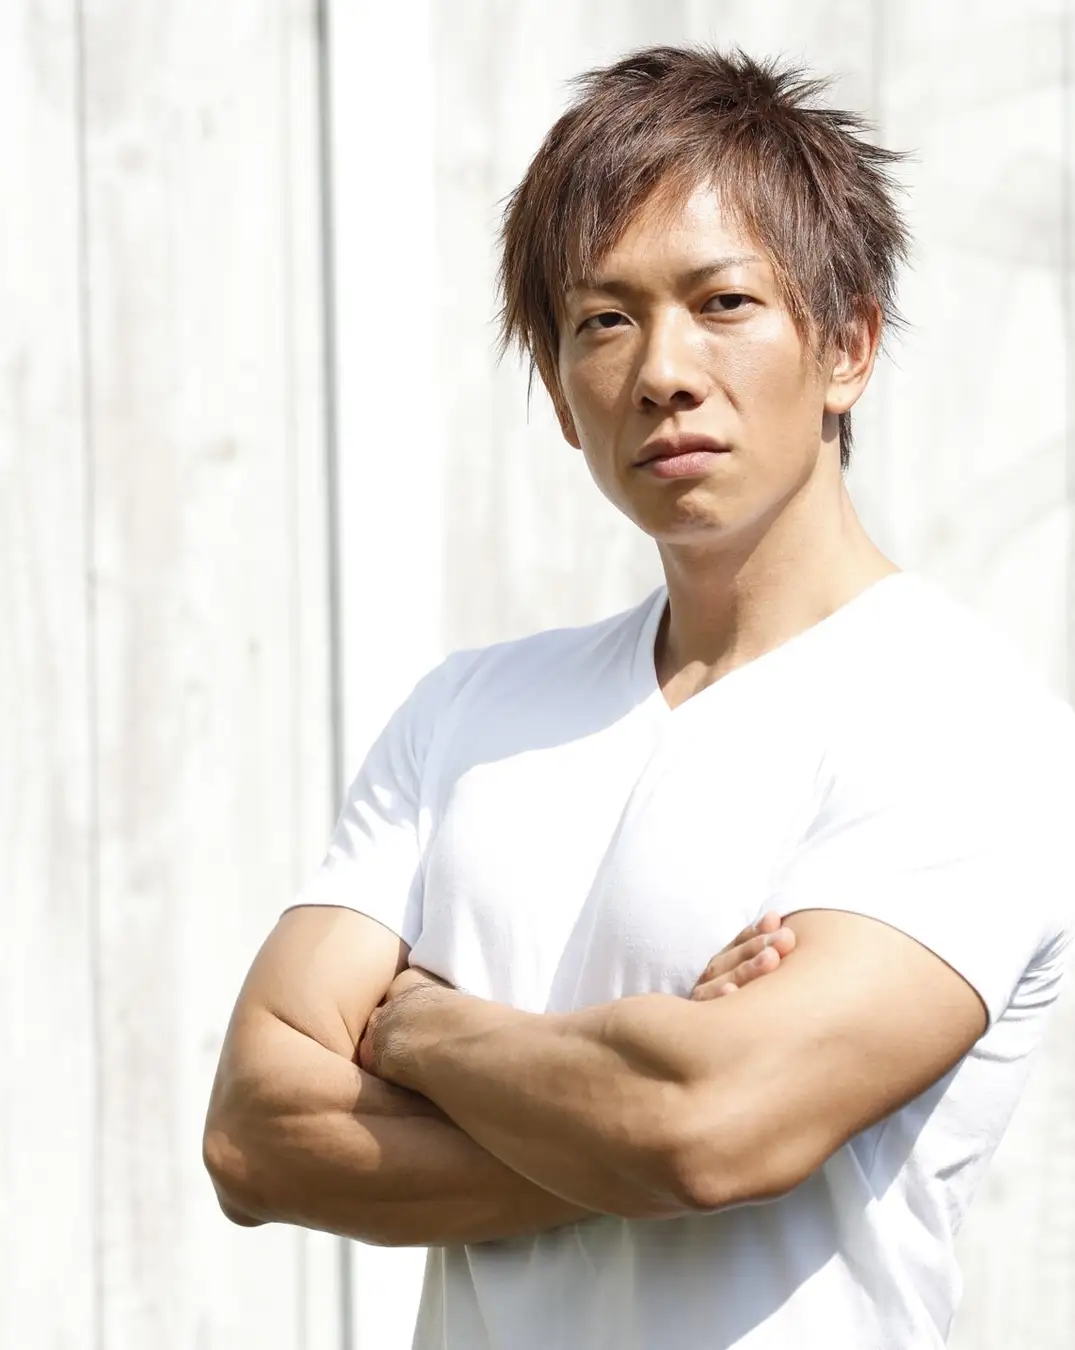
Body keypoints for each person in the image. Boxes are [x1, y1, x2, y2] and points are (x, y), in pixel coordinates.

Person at [203, 45, 1075, 1349]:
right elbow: (254, 1132)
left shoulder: (965, 724)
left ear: (847, 345)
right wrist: (631, 1105)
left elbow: (711, 1126)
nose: (664, 369)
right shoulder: (465, 714)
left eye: (723, 302)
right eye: (603, 320)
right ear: (561, 397)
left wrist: (422, 1027)